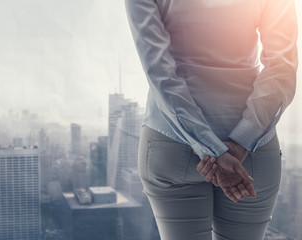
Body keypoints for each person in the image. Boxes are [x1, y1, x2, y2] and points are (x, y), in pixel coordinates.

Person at [124, 0, 298, 239]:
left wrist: (210, 149)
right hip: (252, 152)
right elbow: (282, 68)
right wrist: (240, 142)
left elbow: (160, 72)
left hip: (173, 143)